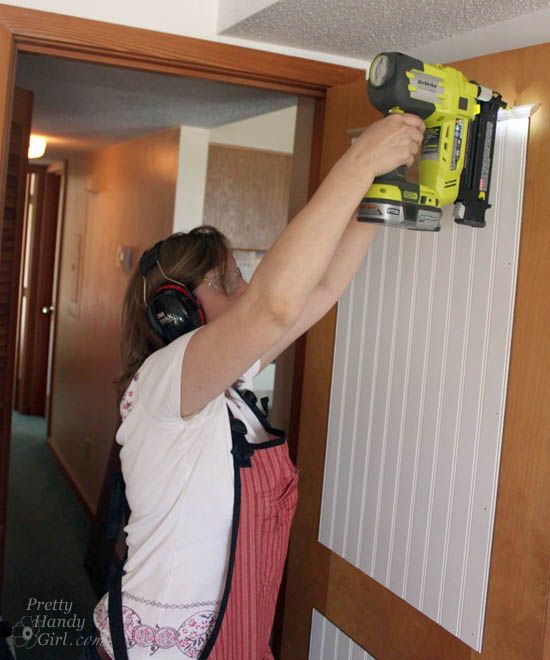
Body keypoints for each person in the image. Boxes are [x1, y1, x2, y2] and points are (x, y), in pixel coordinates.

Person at [83, 112, 424, 660]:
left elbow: (325, 285)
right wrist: (359, 160)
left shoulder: (220, 384)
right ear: (175, 312)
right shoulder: (167, 376)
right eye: (227, 282)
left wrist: (385, 187)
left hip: (229, 641)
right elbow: (273, 305)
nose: (243, 292)